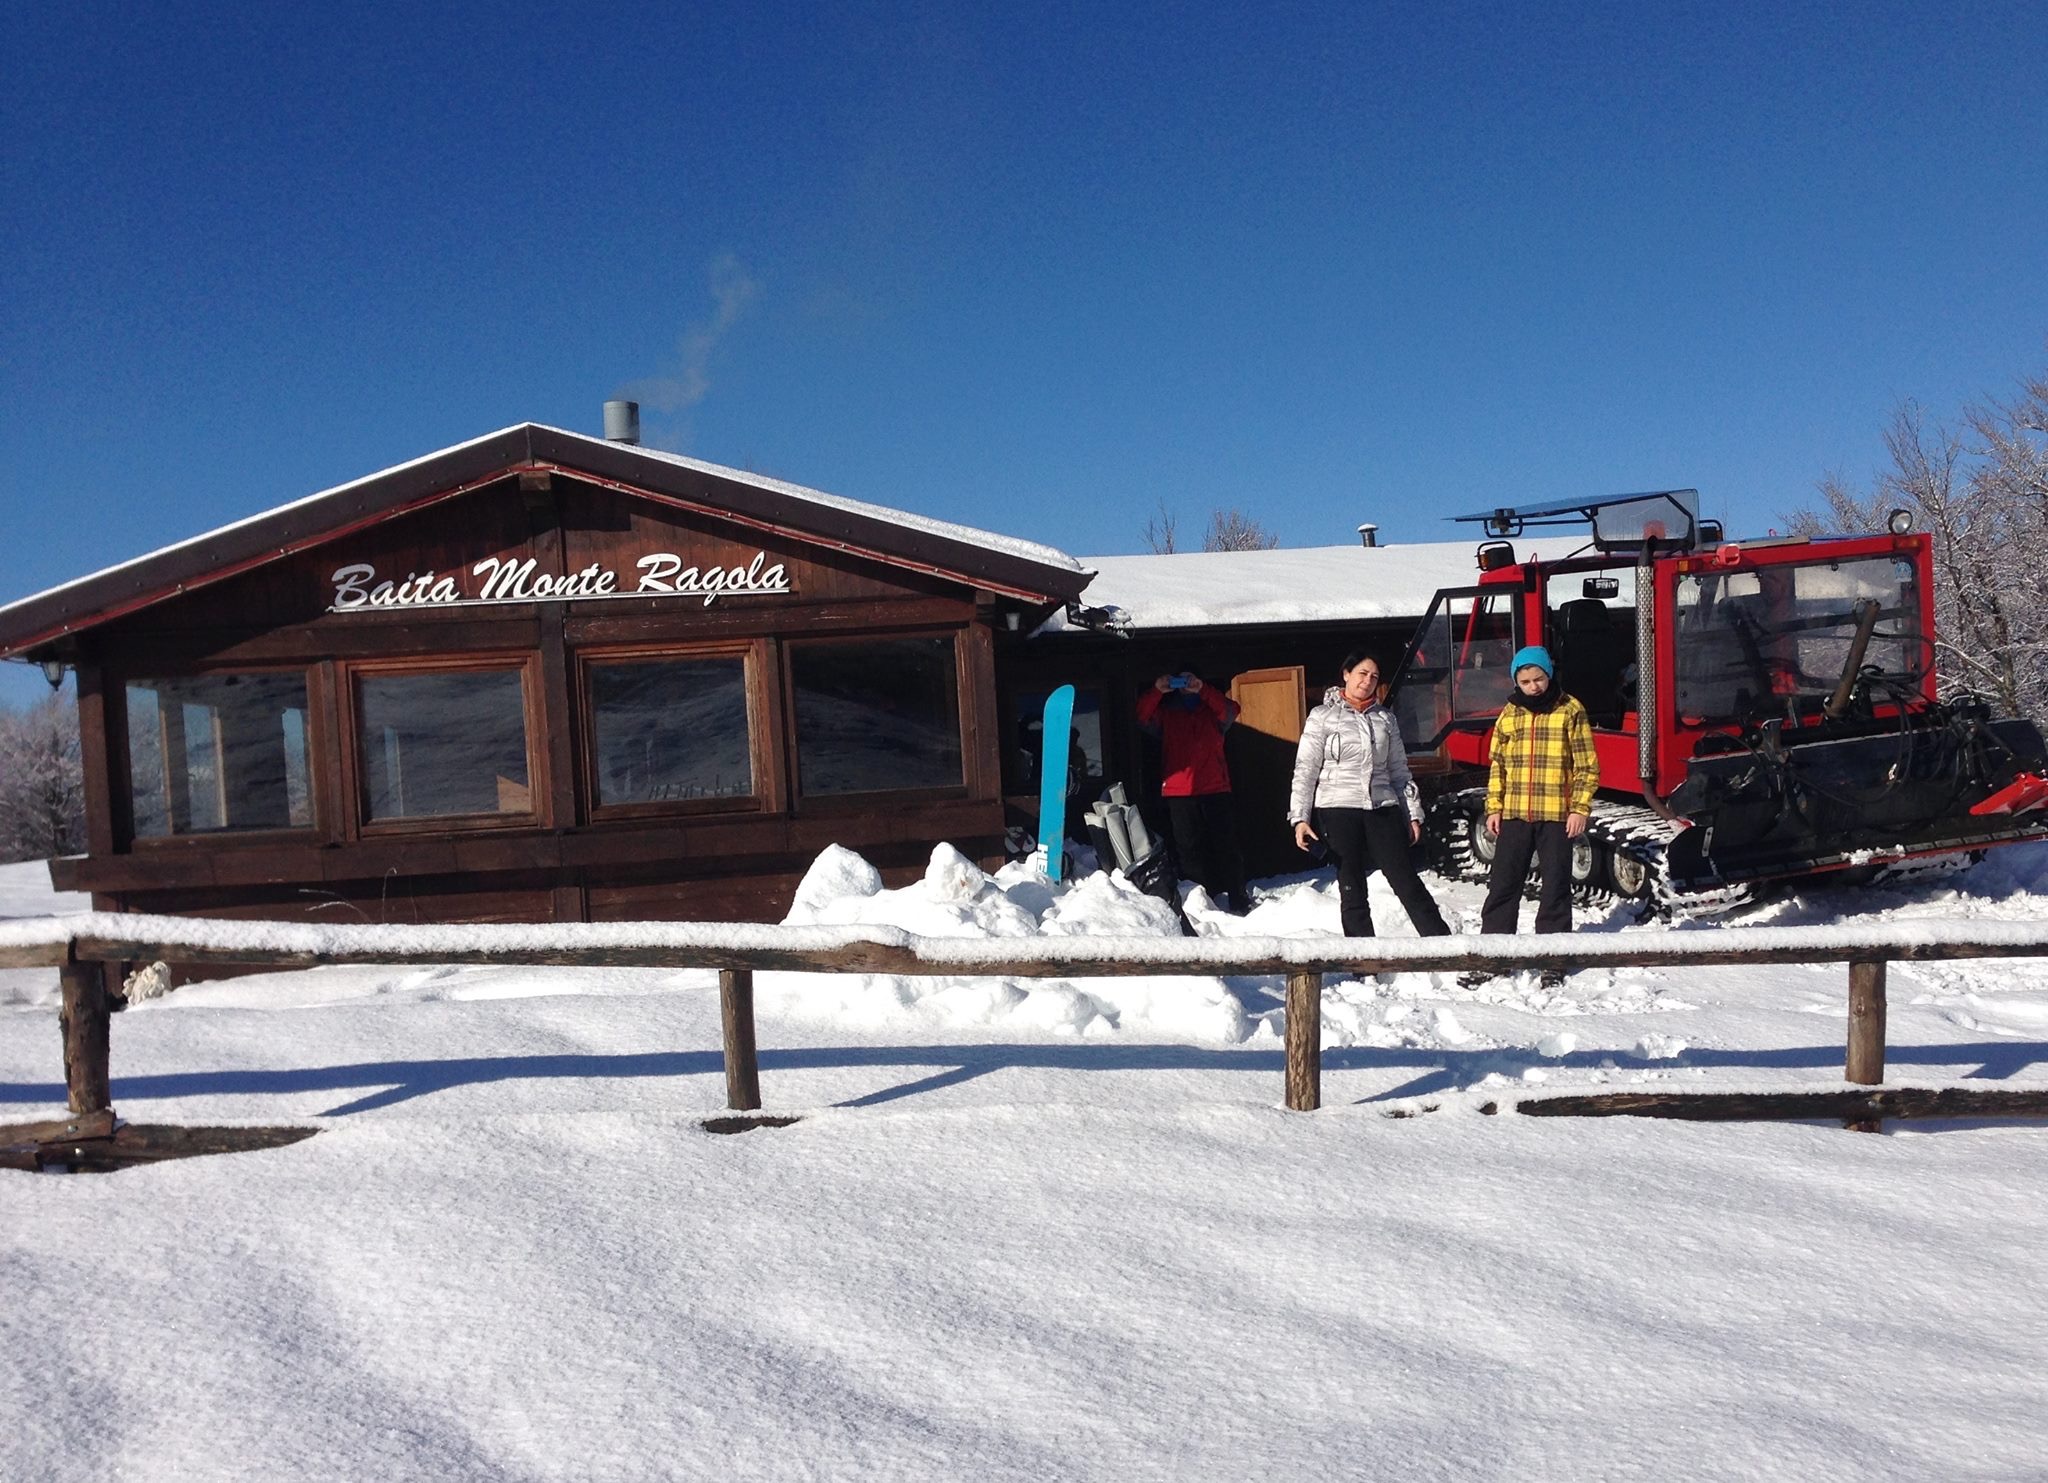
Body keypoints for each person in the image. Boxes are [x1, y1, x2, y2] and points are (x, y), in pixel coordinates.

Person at [1461, 645, 1598, 989]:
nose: (1533, 686)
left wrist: (1580, 808)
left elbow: (1586, 766)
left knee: (1554, 888)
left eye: (1539, 679)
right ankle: (1495, 957)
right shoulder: (1510, 713)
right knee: (1503, 886)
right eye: (1525, 681)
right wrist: (1494, 807)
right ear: (1516, 681)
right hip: (1516, 815)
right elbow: (1499, 766)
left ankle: (1552, 959)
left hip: (1555, 815)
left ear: (1549, 675)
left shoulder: (1571, 709)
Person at [1288, 651, 1450, 941]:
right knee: (1352, 887)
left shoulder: (1385, 719)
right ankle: (1362, 963)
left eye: (1374, 676)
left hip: (1381, 807)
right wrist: (1300, 818)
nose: (1368, 681)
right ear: (1346, 674)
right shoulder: (1322, 717)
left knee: (1406, 880)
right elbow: (1305, 769)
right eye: (1362, 673)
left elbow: (1399, 770)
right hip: (1337, 810)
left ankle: (1444, 945)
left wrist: (1412, 813)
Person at [1136, 668, 1250, 914]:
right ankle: (1200, 899)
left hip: (1216, 788)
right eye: (1182, 680)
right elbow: (1142, 717)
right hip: (1179, 791)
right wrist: (1157, 690)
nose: (1185, 684)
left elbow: (1231, 710)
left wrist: (1203, 689)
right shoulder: (1167, 713)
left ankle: (1238, 897)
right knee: (1189, 850)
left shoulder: (1212, 710)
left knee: (1227, 845)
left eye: (1190, 679)